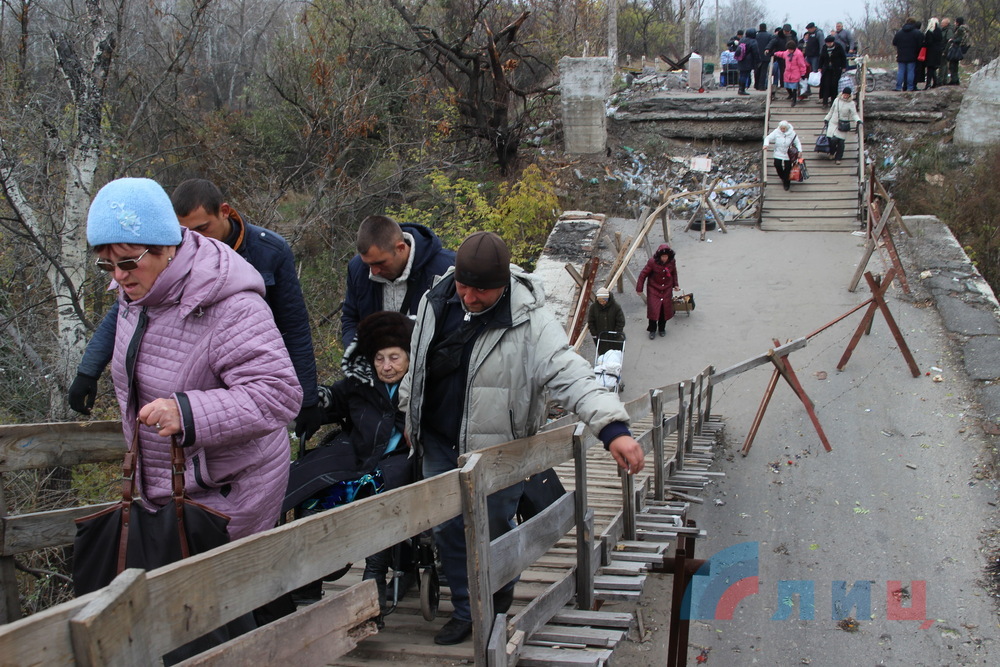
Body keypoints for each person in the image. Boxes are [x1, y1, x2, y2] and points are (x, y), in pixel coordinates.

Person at [400, 231, 644, 646]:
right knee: (446, 530)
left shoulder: (531, 322)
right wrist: (408, 414)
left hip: (498, 451)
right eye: (465, 286)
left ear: (504, 284)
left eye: (482, 290)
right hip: (438, 443)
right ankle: (467, 611)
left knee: (492, 530)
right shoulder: (434, 301)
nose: (471, 297)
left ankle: (493, 605)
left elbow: (570, 373)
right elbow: (417, 367)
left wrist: (613, 429)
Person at [85, 175, 301, 554]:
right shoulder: (136, 295)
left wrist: (187, 412)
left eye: (128, 262)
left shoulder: (230, 305)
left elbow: (278, 394)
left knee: (217, 606)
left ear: (166, 247)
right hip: (167, 490)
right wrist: (88, 370)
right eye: (107, 265)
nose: (118, 276)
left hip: (227, 494)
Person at [70, 178, 322, 444]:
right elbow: (122, 316)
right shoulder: (148, 272)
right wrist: (88, 370)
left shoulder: (268, 252)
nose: (194, 241)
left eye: (203, 228)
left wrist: (308, 398)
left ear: (224, 212)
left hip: (240, 402)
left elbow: (293, 327)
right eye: (185, 232)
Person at [312, 311, 416, 625]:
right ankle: (316, 570)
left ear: (410, 358)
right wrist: (315, 400)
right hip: (359, 460)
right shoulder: (359, 384)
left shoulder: (421, 388)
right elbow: (332, 400)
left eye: (395, 358)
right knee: (315, 486)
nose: (387, 366)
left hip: (401, 463)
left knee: (382, 487)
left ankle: (373, 576)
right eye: (380, 358)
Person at [341, 214, 455, 348]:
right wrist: (361, 357)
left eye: (380, 263)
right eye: (368, 264)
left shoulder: (446, 268)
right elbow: (351, 319)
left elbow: (457, 326)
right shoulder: (358, 269)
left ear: (400, 248)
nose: (374, 271)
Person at [636, 244, 679, 339]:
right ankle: (652, 329)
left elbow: (674, 273)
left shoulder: (672, 262)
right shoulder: (652, 262)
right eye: (663, 256)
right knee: (653, 310)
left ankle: (662, 328)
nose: (664, 258)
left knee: (664, 311)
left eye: (666, 256)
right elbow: (643, 275)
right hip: (654, 289)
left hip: (666, 289)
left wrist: (675, 284)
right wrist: (639, 288)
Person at [823, 88, 862, 164]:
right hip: (833, 122)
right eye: (844, 94)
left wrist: (858, 120)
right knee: (832, 140)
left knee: (841, 142)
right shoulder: (836, 100)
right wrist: (826, 118)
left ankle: (838, 158)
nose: (845, 96)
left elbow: (854, 114)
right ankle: (832, 152)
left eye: (847, 95)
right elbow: (831, 110)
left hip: (843, 124)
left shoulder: (851, 103)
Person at [764, 120, 803, 191]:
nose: (782, 130)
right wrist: (766, 144)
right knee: (777, 164)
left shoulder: (792, 133)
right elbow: (768, 138)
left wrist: (800, 150)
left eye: (784, 128)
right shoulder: (776, 132)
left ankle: (786, 182)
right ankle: (783, 177)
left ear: (787, 128)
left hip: (788, 153)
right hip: (778, 151)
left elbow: (797, 142)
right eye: (781, 128)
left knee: (788, 168)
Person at [773, 41, 809, 106]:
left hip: (795, 72)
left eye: (791, 49)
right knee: (786, 85)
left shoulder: (798, 54)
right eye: (788, 49)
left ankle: (794, 100)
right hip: (787, 72)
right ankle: (791, 95)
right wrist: (775, 53)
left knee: (794, 87)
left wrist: (803, 73)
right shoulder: (787, 53)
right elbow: (781, 54)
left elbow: (802, 65)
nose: (789, 51)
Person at [892, 17, 924, 91]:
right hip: (912, 55)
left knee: (901, 71)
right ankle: (910, 87)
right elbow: (920, 44)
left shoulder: (899, 33)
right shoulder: (917, 33)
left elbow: (894, 42)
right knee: (911, 71)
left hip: (901, 55)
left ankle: (898, 87)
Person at [766, 24, 799, 91]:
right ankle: (783, 85)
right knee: (783, 71)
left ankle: (791, 87)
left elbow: (797, 45)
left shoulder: (793, 36)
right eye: (786, 31)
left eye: (788, 31)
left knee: (792, 72)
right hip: (782, 56)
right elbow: (772, 43)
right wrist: (768, 49)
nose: (787, 32)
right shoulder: (778, 36)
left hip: (792, 57)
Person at [818, 35, 848, 107]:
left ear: (833, 42)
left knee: (834, 85)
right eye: (827, 43)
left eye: (830, 43)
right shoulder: (824, 48)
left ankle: (833, 101)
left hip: (836, 69)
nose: (828, 44)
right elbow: (821, 57)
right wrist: (820, 67)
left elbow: (843, 57)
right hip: (826, 69)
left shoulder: (838, 47)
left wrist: (843, 66)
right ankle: (825, 102)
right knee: (826, 85)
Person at [801, 22, 825, 98]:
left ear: (813, 28)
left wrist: (821, 55)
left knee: (815, 73)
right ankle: (807, 89)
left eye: (809, 29)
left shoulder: (819, 33)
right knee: (806, 72)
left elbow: (822, 44)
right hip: (808, 56)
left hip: (815, 56)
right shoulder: (809, 34)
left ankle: (818, 88)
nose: (809, 30)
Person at [946, 17, 969, 85]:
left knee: (953, 64)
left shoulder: (960, 29)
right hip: (962, 48)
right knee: (955, 64)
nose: (954, 23)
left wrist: (952, 40)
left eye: (955, 22)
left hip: (956, 48)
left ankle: (954, 80)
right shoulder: (965, 28)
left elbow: (959, 39)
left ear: (958, 22)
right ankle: (955, 80)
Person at [737, 29, 761, 95]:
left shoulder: (742, 40)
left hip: (741, 59)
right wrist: (758, 61)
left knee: (741, 75)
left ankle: (740, 89)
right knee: (745, 75)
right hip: (748, 61)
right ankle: (742, 89)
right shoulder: (753, 41)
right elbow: (755, 52)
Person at [923, 18, 944, 89]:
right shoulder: (939, 31)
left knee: (930, 68)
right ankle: (935, 82)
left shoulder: (929, 32)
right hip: (938, 51)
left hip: (930, 51)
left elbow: (928, 42)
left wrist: (924, 44)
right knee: (933, 68)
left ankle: (928, 83)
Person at [755, 24, 771, 90]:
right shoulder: (769, 35)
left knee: (757, 71)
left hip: (756, 56)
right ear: (766, 28)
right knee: (763, 71)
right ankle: (762, 86)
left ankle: (756, 85)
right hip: (765, 56)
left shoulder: (756, 35)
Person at [938, 18, 954, 84]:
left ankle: (941, 80)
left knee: (943, 65)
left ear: (946, 24)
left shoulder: (949, 31)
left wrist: (945, 51)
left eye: (943, 23)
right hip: (942, 49)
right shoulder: (943, 30)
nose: (941, 24)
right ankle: (944, 80)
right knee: (943, 65)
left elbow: (949, 42)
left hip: (944, 50)